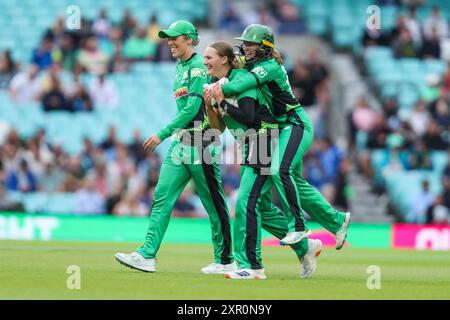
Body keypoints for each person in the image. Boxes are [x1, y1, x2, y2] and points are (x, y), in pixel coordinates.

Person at [212, 24, 350, 251]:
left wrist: (219, 90)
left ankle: (298, 225)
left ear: (264, 48)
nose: (245, 48)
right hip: (282, 129)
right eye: (244, 43)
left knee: (278, 170)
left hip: (294, 123)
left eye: (250, 44)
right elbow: (228, 65)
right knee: (295, 183)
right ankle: (336, 221)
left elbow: (243, 82)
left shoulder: (269, 66)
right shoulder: (254, 62)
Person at [115, 21, 234, 274]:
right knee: (161, 197)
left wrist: (162, 133)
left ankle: (225, 259)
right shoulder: (181, 68)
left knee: (213, 204)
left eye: (174, 38)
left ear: (189, 40)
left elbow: (192, 109)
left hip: (202, 141)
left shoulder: (198, 68)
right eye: (167, 38)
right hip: (182, 142)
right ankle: (147, 254)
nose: (169, 41)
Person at [203, 41, 320, 279]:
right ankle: (305, 247)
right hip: (249, 144)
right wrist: (209, 104)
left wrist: (222, 100)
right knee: (262, 208)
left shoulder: (242, 81)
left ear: (224, 60)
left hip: (263, 139)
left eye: (208, 57)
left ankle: (252, 266)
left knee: (246, 202)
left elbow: (247, 116)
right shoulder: (221, 86)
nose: (204, 62)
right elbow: (218, 129)